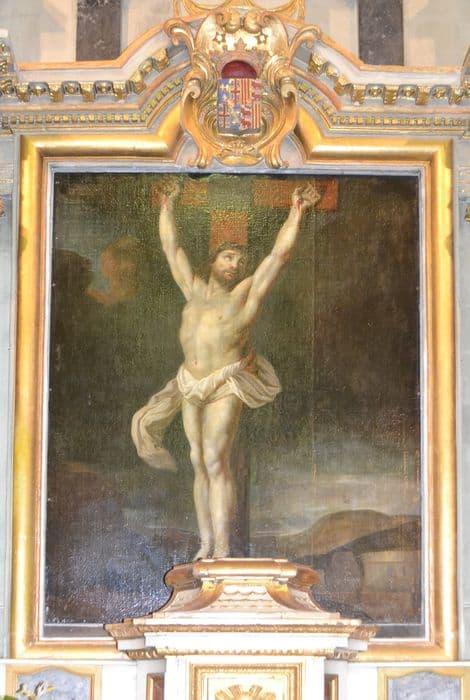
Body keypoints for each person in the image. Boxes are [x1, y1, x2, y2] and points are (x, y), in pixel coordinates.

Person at [132, 180, 321, 559]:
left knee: (216, 460)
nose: (235, 265)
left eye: (240, 261)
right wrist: (167, 205)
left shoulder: (245, 296)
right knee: (198, 461)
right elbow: (172, 248)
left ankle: (222, 547)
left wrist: (296, 211)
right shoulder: (194, 292)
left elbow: (278, 256)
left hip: (225, 384)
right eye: (228, 258)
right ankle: (206, 544)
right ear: (213, 261)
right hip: (190, 384)